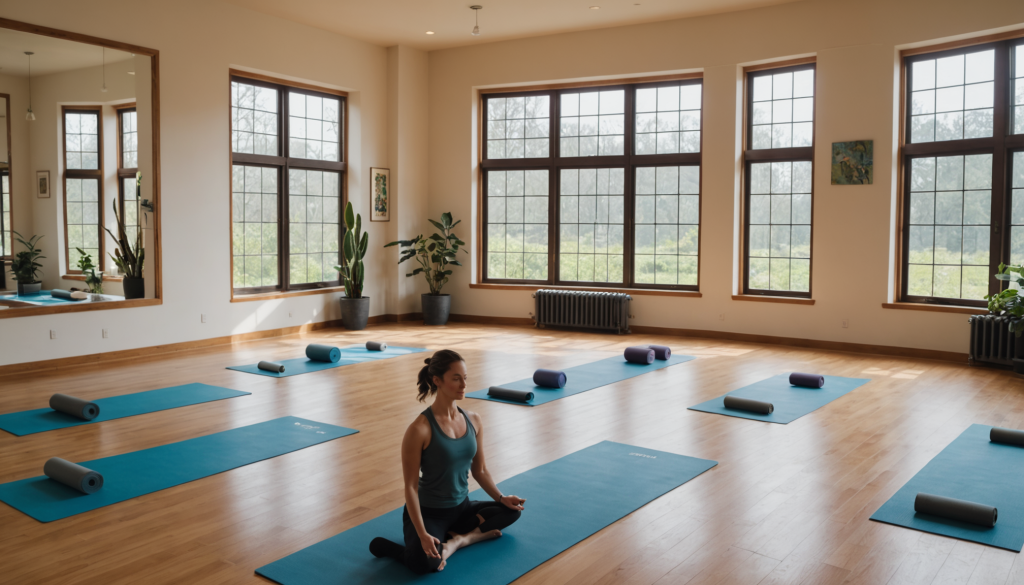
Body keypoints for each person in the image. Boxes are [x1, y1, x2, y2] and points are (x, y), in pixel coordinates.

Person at [370, 349, 526, 573]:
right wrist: (423, 534)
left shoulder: (474, 420)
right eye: (456, 378)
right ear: (437, 380)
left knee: (512, 511)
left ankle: (460, 541)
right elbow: (411, 488)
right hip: (429, 513)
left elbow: (480, 470)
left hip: (461, 508)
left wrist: (501, 498)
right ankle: (401, 548)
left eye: (465, 378)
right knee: (426, 564)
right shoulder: (419, 429)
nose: (463, 384)